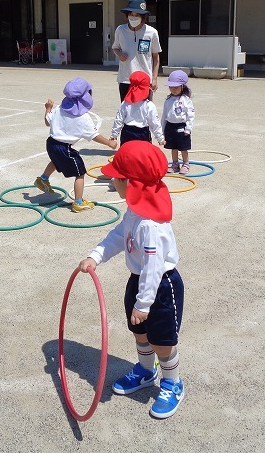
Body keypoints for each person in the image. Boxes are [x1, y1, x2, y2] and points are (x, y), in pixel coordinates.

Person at [77, 140, 184, 419]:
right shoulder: (136, 211)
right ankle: (146, 371)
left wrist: (144, 303)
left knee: (162, 340)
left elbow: (154, 267)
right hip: (139, 282)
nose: (112, 181)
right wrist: (95, 256)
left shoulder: (151, 225)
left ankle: (173, 382)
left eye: (116, 178)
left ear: (132, 182)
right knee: (140, 333)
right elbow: (117, 237)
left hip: (160, 286)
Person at [34, 77, 118, 212]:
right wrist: (109, 143)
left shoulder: (60, 108)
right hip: (64, 148)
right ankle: (78, 202)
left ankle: (43, 179)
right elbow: (94, 136)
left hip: (51, 144)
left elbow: (47, 122)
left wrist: (48, 108)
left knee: (56, 161)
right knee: (80, 172)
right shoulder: (83, 118)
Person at [112, 0, 161, 102]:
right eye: (131, 15)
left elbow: (156, 58)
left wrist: (154, 78)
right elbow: (115, 48)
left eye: (137, 15)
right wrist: (119, 54)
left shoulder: (152, 32)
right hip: (125, 79)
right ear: (127, 15)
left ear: (143, 17)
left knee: (144, 112)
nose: (133, 18)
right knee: (126, 112)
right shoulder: (120, 30)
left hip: (144, 80)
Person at [110, 71, 165, 146]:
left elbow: (118, 120)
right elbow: (154, 123)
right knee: (142, 155)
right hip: (142, 134)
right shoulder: (149, 105)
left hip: (127, 133)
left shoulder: (125, 103)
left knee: (127, 153)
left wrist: (114, 135)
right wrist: (160, 138)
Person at [162, 70, 195, 174]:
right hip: (170, 127)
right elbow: (164, 116)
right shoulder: (168, 100)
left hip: (182, 127)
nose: (173, 89)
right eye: (171, 87)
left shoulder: (186, 100)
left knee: (183, 148)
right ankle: (175, 164)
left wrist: (188, 129)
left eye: (176, 87)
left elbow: (190, 115)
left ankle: (186, 164)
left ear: (182, 86)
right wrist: (162, 130)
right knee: (173, 148)